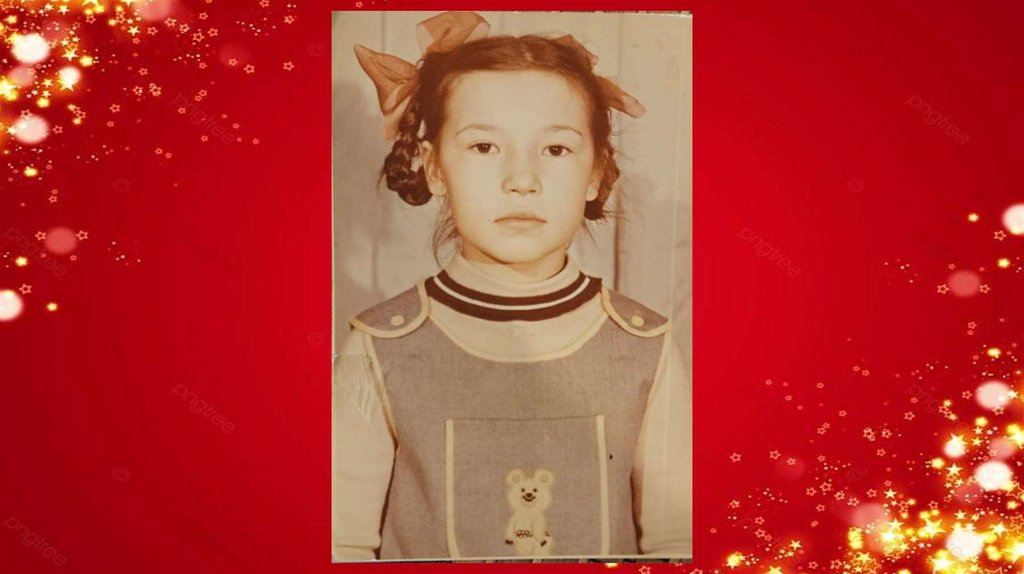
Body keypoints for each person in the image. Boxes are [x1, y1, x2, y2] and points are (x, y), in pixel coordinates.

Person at [333, 11, 691, 561]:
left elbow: (679, 542)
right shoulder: (379, 347)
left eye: (555, 150)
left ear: (596, 172)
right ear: (434, 168)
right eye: (484, 147)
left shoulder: (646, 345)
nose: (521, 180)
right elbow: (342, 545)